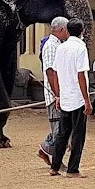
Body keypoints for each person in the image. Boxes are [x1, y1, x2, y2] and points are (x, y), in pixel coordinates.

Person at [50, 18, 91, 178]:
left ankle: (55, 166)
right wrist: (87, 100)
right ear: (82, 31)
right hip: (77, 98)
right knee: (78, 134)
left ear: (67, 30)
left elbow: (55, 73)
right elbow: (81, 75)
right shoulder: (80, 48)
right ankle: (73, 169)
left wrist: (58, 95)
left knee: (62, 134)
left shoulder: (61, 48)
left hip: (65, 97)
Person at [37, 17, 69, 167]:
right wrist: (57, 95)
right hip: (54, 95)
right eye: (67, 30)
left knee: (63, 127)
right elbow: (51, 72)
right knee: (59, 130)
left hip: (61, 93)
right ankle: (57, 161)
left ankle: (46, 149)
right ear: (61, 30)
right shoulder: (50, 46)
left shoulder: (59, 45)